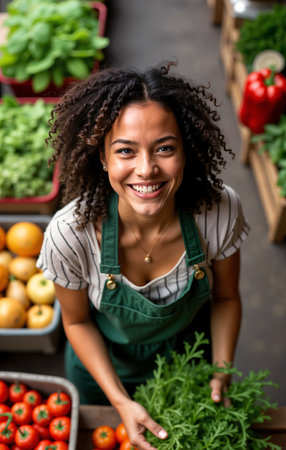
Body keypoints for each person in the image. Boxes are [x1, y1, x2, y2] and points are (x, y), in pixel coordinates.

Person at [37, 61, 249, 450]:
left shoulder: (217, 210)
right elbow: (77, 322)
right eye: (125, 151)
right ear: (102, 158)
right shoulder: (72, 234)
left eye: (164, 148)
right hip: (103, 370)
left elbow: (226, 298)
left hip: (189, 361)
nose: (147, 169)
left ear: (186, 151)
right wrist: (119, 400)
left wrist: (221, 370)